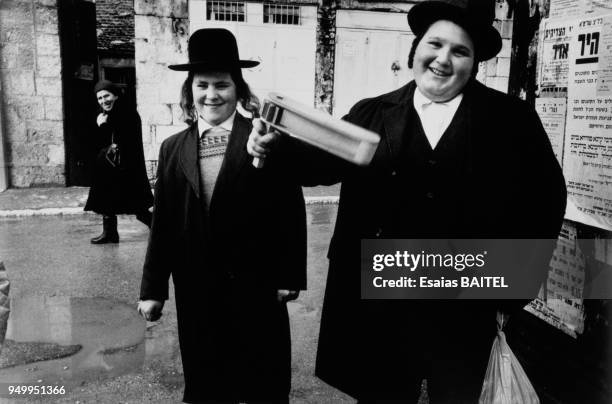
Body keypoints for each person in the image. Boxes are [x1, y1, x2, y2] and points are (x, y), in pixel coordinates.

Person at [248, 0, 567, 402]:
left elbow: (544, 201)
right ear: (415, 50)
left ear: (475, 63)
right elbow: (318, 166)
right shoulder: (372, 113)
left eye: (460, 51)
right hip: (380, 303)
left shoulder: (510, 121)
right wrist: (272, 147)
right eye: (435, 44)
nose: (443, 60)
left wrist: (510, 286)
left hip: (465, 301)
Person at [137, 28, 306, 404]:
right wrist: (153, 289)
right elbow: (163, 222)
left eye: (222, 84)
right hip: (197, 287)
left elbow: (288, 209)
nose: (211, 94)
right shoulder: (172, 149)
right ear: (189, 91)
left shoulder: (263, 137)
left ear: (238, 90)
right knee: (207, 380)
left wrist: (288, 274)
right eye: (202, 85)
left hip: (256, 284)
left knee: (261, 378)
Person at [84, 80, 153, 243]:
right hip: (111, 168)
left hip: (126, 169)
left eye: (106, 95)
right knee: (106, 200)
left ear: (115, 95)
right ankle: (110, 233)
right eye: (99, 98)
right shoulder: (110, 114)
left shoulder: (127, 113)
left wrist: (102, 126)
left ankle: (161, 231)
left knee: (138, 206)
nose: (103, 101)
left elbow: (123, 141)